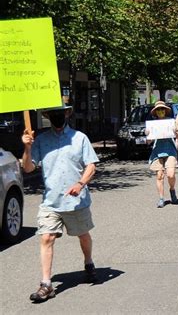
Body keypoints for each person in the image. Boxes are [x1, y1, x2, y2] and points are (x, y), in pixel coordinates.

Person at [21, 105, 99, 302]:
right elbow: (29, 168)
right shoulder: (41, 140)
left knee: (83, 236)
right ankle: (46, 284)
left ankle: (88, 263)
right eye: (52, 113)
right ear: (47, 116)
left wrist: (81, 184)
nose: (57, 116)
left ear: (67, 113)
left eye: (60, 112)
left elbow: (91, 165)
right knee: (46, 238)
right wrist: (27, 147)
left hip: (76, 201)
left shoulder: (79, 138)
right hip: (51, 201)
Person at [147, 101, 178, 208]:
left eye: (162, 109)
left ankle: (172, 189)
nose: (160, 111)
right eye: (158, 110)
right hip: (157, 151)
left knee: (171, 174)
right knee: (159, 176)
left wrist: (176, 132)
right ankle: (161, 198)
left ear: (165, 111)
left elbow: (177, 136)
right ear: (155, 112)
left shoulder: (170, 122)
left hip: (170, 150)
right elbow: (149, 142)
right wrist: (148, 134)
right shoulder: (152, 124)